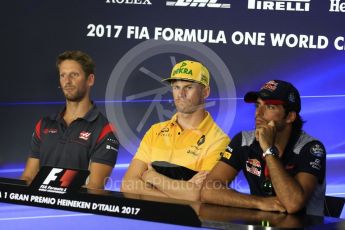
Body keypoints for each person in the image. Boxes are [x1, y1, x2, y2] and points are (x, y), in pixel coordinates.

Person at [201, 80, 326, 216]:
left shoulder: (311, 148)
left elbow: (292, 204)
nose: (258, 113)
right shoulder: (244, 141)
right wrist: (259, 203)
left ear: (290, 116)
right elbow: (208, 190)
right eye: (257, 105)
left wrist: (268, 149)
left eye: (270, 107)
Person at [121, 60, 230, 201]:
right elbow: (127, 185)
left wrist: (151, 176)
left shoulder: (219, 140)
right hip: (147, 221)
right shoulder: (155, 131)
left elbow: (200, 195)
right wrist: (181, 192)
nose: (181, 94)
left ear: (205, 92)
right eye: (176, 87)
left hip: (186, 222)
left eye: (189, 87)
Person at [21, 50, 119, 189]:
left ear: (90, 80)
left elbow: (94, 187)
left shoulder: (105, 130)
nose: (67, 81)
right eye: (63, 75)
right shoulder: (43, 124)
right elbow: (28, 177)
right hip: (41, 207)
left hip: (74, 210)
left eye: (74, 75)